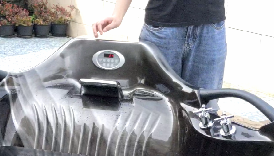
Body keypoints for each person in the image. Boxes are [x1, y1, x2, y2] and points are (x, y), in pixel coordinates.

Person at [92, 0, 227, 97]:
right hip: (163, 31)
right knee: (158, 107)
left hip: (210, 29)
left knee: (205, 108)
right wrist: (117, 14)